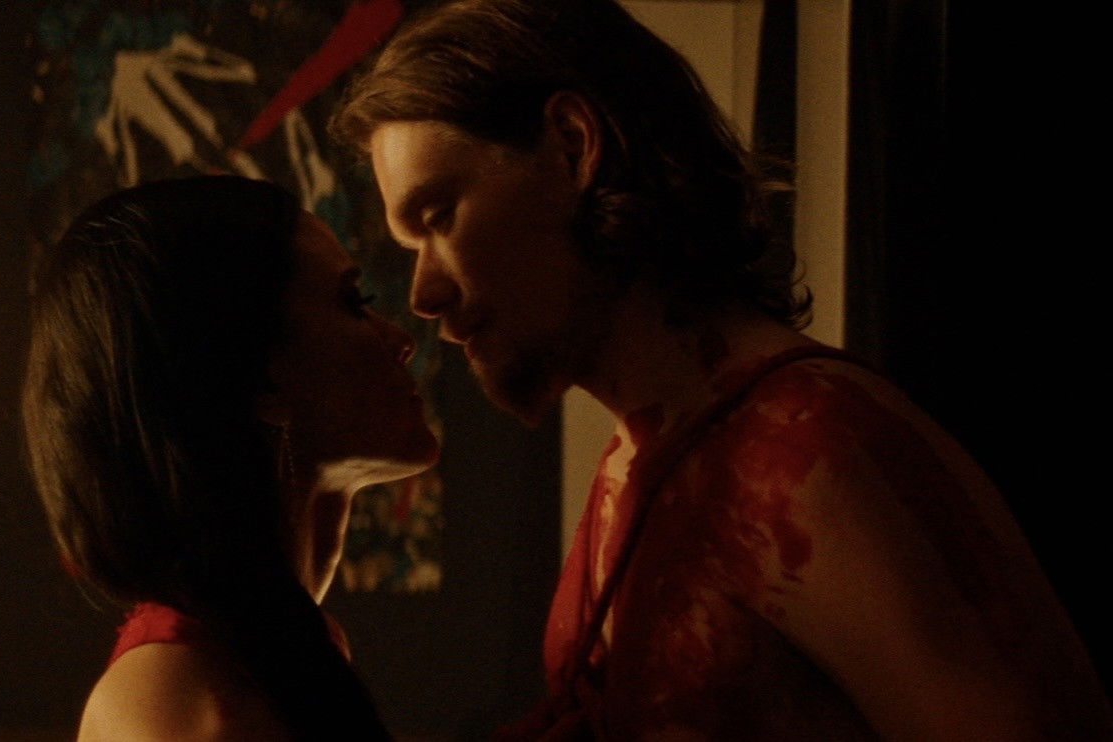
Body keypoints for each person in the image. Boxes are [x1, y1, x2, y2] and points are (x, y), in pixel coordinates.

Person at [332, 0, 1111, 738]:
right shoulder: (640, 461)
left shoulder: (806, 453)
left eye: (440, 217)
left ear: (572, 145)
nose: (423, 294)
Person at [21, 175, 437, 740]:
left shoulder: (264, 663)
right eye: (353, 304)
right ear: (255, 374)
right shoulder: (184, 704)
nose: (402, 341)